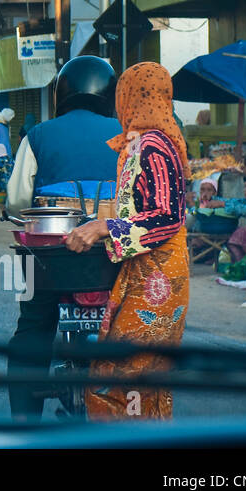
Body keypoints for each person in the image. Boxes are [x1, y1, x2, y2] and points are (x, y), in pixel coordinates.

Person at [63, 62, 190, 421]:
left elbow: (166, 216)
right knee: (142, 376)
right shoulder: (143, 142)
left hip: (160, 278)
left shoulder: (153, 145)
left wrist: (106, 228)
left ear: (129, 97)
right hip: (144, 269)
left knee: (119, 376)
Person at [4, 55, 121, 423]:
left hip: (52, 259)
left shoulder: (38, 135)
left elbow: (18, 201)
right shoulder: (128, 133)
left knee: (33, 327)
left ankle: (24, 422)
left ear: (63, 93)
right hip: (113, 257)